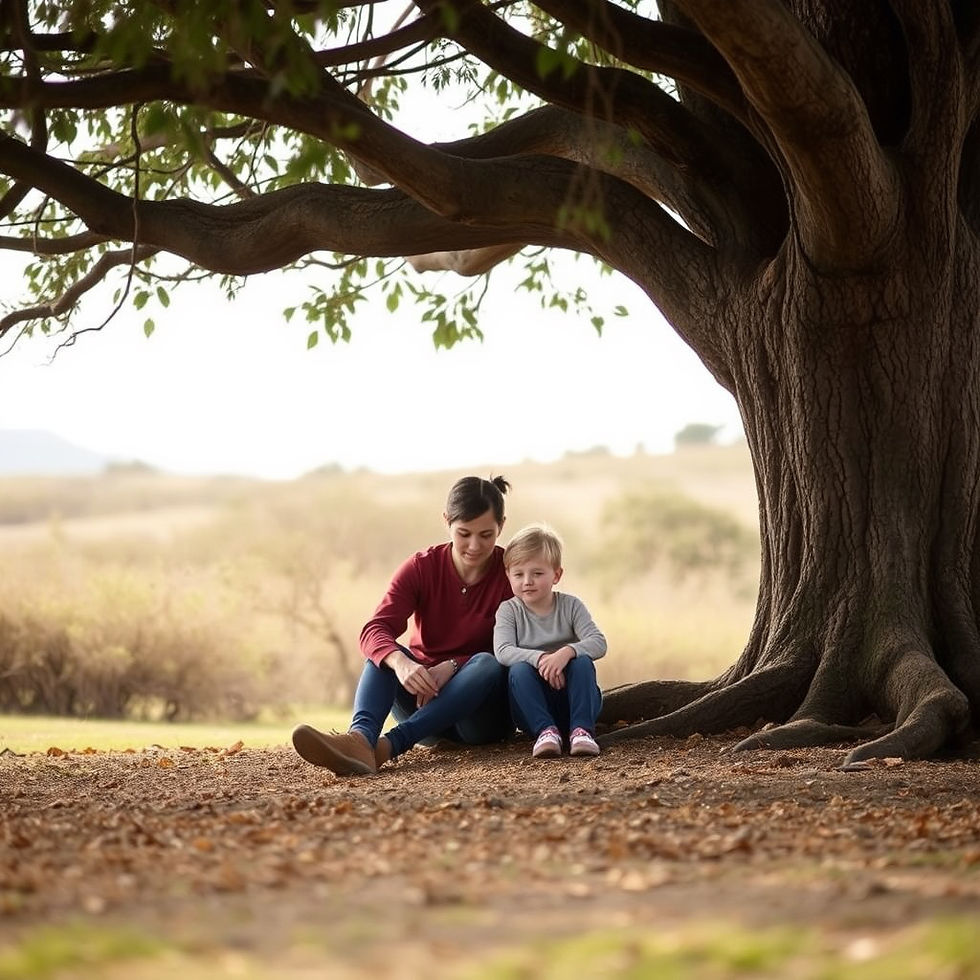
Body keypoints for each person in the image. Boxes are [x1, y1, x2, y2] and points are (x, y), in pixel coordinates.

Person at [292, 475, 515, 776]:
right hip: (425, 710)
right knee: (385, 651)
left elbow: (520, 647)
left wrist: (453, 665)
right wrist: (401, 663)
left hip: (480, 719)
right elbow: (374, 629)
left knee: (486, 664)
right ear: (446, 520)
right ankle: (360, 739)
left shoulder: (512, 574)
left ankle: (386, 748)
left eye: (486, 535)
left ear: (501, 525)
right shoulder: (422, 567)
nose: (475, 546)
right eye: (464, 534)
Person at [493, 523, 606, 758]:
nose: (527, 581)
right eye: (519, 574)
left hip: (573, 699)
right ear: (508, 575)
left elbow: (598, 642)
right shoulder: (509, 610)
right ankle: (546, 732)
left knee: (582, 662)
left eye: (537, 573)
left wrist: (565, 653)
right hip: (532, 706)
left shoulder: (571, 605)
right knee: (518, 669)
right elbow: (503, 651)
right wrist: (542, 658)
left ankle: (582, 731)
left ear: (556, 575)